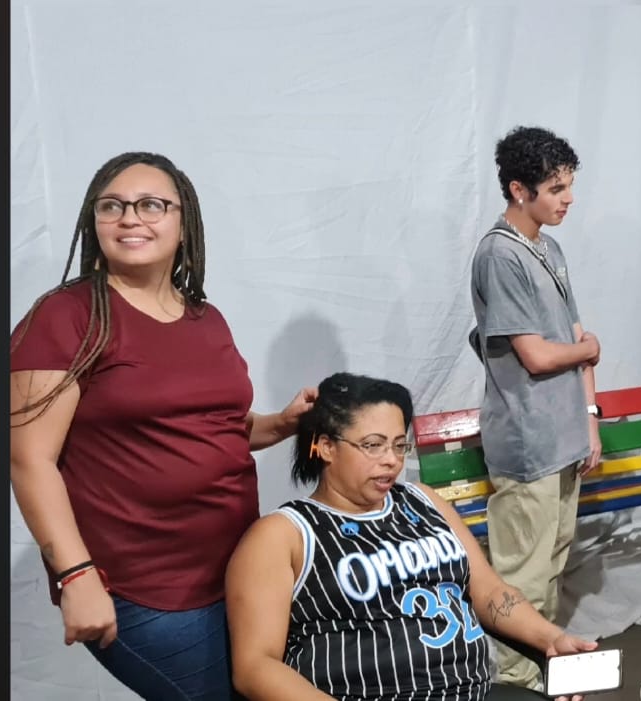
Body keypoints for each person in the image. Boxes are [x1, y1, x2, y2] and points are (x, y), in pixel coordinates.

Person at [9, 151, 316, 700]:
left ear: (183, 223)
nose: (130, 217)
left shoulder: (206, 318)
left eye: (151, 204)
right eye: (112, 206)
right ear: (94, 221)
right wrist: (76, 575)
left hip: (241, 571)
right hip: (145, 590)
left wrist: (281, 423)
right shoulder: (66, 316)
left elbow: (213, 426)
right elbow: (29, 459)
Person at [225, 372, 596, 701]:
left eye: (399, 445)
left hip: (473, 691)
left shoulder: (424, 501)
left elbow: (488, 592)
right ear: (326, 447)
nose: (392, 459)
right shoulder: (284, 535)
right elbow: (255, 667)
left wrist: (551, 638)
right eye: (373, 445)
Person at [468, 126, 602, 691]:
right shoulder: (500, 255)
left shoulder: (549, 248)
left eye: (569, 185)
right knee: (521, 575)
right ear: (519, 190)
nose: (568, 198)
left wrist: (590, 419)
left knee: (551, 567)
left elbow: (573, 334)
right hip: (528, 444)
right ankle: (512, 682)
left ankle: (537, 671)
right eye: (555, 189)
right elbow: (540, 355)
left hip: (564, 437)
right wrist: (587, 351)